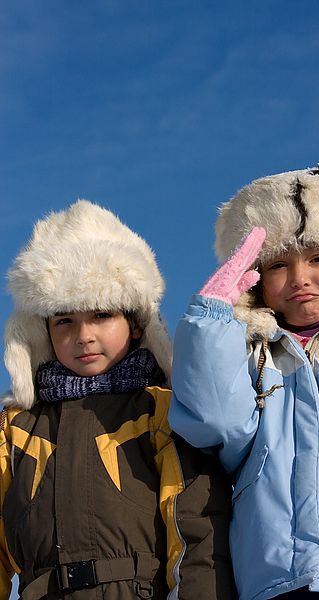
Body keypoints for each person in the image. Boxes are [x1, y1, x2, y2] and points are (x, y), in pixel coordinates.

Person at [169, 166, 319, 600]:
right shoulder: (251, 355)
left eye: (318, 258)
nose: (299, 279)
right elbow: (214, 424)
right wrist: (212, 319)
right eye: (278, 264)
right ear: (255, 282)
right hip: (274, 577)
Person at [0, 200, 237, 600]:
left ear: (138, 323)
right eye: (65, 321)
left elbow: (197, 531)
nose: (84, 335)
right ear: (42, 331)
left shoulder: (162, 412)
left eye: (102, 315)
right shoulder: (16, 429)